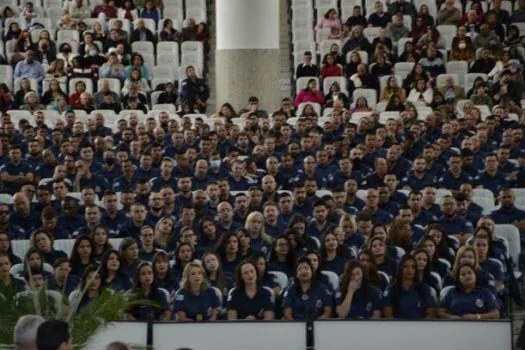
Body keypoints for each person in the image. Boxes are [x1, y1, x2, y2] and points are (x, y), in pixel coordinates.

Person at [383, 255, 436, 319]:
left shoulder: (424, 288)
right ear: (400, 268)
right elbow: (388, 314)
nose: (409, 270)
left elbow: (430, 313)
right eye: (406, 266)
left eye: (413, 267)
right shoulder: (391, 289)